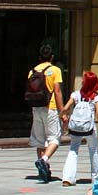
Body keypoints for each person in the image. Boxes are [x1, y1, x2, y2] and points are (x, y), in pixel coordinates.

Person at [61, 71, 98, 187]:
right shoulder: (96, 97)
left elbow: (65, 107)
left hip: (76, 127)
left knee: (73, 149)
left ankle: (68, 178)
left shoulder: (75, 95)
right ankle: (96, 178)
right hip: (89, 127)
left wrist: (62, 116)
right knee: (93, 150)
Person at [29, 43, 66, 184]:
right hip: (50, 107)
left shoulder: (32, 71)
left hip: (36, 107)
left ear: (39, 57)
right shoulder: (55, 70)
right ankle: (43, 160)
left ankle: (43, 170)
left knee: (40, 140)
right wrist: (62, 111)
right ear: (52, 57)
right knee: (54, 138)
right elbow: (57, 91)